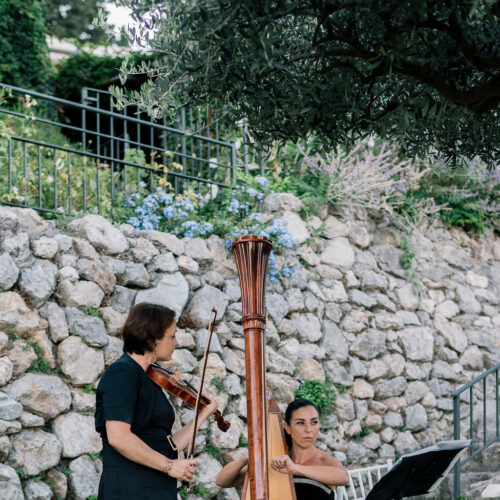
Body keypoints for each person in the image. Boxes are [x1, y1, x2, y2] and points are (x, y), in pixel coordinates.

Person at [95, 302, 218, 500]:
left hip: (154, 489)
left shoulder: (148, 378)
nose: (176, 342)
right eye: (172, 336)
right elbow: (118, 437)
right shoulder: (122, 373)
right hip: (129, 490)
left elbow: (168, 445)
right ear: (152, 340)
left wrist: (203, 415)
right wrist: (169, 466)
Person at [216, 398, 349, 500]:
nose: (308, 430)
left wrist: (295, 469)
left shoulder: (326, 461)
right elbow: (222, 481)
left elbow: (343, 477)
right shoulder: (276, 461)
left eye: (314, 422)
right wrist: (246, 458)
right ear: (287, 427)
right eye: (300, 423)